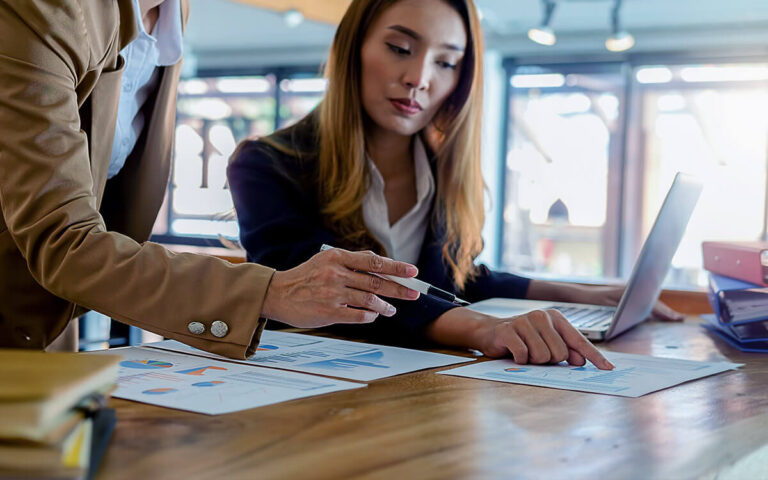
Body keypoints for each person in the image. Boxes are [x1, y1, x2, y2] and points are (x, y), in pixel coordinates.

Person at [228, 0, 684, 369]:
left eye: (446, 62)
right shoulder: (266, 165)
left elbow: (453, 276)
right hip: (306, 387)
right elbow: (337, 291)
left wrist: (577, 294)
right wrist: (482, 328)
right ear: (354, 48)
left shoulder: (444, 169)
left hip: (420, 391)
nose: (419, 79)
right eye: (401, 49)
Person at [0, 0, 420, 358]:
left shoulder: (170, 15)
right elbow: (62, 238)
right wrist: (272, 292)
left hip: (48, 327)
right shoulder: (48, 11)